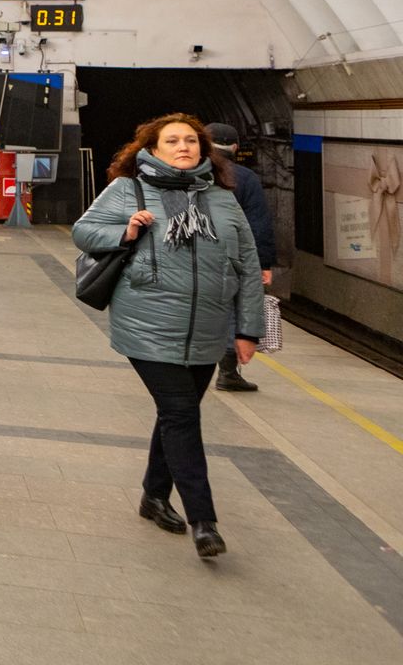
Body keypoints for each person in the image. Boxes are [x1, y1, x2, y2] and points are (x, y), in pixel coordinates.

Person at [71, 115, 266, 560]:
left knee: (176, 414)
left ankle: (153, 496)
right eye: (172, 140)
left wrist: (248, 328)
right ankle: (204, 520)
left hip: (207, 329)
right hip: (147, 324)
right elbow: (83, 231)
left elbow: (247, 266)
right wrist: (126, 229)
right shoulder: (129, 190)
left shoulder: (222, 199)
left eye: (191, 141)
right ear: (152, 149)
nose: (184, 146)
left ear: (204, 149)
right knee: (181, 414)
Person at [206, 122, 276, 393]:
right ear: (235, 148)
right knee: (233, 310)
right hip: (231, 257)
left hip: (190, 255)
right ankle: (227, 373)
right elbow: (258, 224)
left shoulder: (184, 170)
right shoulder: (245, 178)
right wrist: (264, 263)